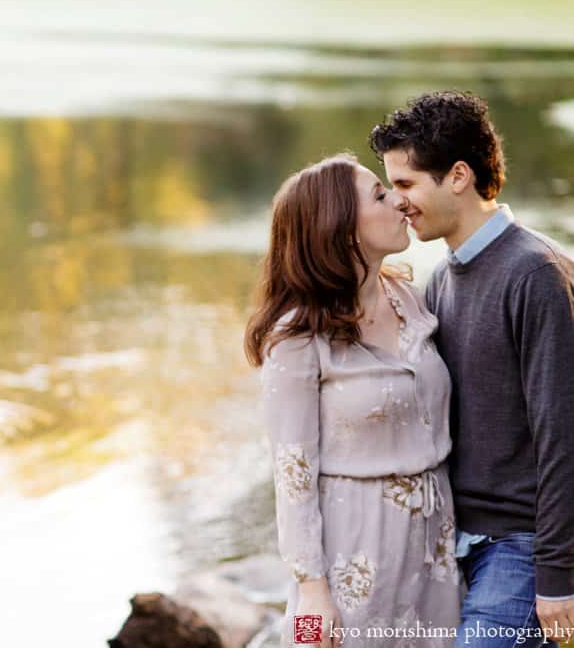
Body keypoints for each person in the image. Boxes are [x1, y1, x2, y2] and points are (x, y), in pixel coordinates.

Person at [369, 91, 574, 648]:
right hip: (457, 543)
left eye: (407, 184)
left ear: (458, 175)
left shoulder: (537, 275)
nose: (398, 201)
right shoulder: (442, 279)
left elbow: (563, 436)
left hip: (523, 549)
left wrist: (559, 576)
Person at [245, 153, 462, 648]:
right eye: (380, 195)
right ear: (342, 229)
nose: (400, 202)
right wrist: (312, 594)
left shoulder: (412, 300)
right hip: (353, 555)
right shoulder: (297, 337)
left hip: (435, 549)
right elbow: (292, 473)